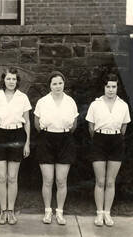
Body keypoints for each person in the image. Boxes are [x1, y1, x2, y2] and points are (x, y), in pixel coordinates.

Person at [0, 67, 31, 225]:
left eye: (14, 79)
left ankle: (11, 211)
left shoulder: (23, 97)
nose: (11, 82)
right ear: (3, 80)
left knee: (12, 177)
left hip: (17, 136)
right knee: (1, 176)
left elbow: (28, 122)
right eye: (8, 79)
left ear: (17, 81)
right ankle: (2, 211)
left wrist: (27, 143)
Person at [85, 73, 131, 227]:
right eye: (108, 86)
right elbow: (91, 127)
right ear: (103, 87)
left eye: (114, 86)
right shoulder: (95, 104)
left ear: (117, 87)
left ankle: (107, 213)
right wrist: (100, 137)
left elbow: (124, 128)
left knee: (110, 181)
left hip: (116, 141)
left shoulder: (123, 105)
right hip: (99, 140)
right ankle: (99, 214)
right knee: (100, 180)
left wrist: (114, 137)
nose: (111, 90)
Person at [34, 71, 78, 225]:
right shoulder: (42, 102)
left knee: (61, 180)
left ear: (64, 84)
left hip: (65, 140)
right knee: (47, 180)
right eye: (54, 83)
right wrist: (48, 133)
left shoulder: (70, 102)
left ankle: (59, 212)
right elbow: (37, 124)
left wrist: (62, 133)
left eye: (60, 83)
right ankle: (47, 211)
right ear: (50, 86)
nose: (58, 86)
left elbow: (74, 125)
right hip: (46, 140)